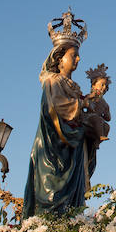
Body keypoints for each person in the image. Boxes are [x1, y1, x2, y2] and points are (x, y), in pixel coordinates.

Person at [23, 14, 97, 217]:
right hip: (52, 148)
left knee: (74, 205)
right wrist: (83, 112)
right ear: (60, 58)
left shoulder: (74, 87)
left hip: (73, 150)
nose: (78, 59)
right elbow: (58, 108)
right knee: (51, 198)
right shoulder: (52, 82)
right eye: (74, 55)